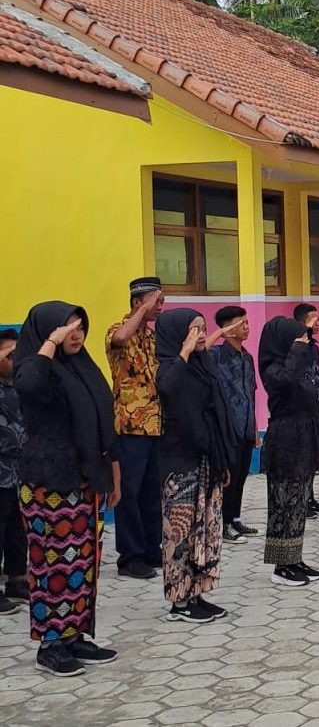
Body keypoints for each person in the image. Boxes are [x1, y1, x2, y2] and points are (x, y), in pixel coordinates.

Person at [16, 302, 120, 676]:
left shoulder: (82, 368)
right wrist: (50, 342)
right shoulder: (35, 367)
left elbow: (105, 421)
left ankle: (73, 635)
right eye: (67, 329)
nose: (76, 335)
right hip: (48, 483)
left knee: (83, 562)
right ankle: (50, 645)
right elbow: (29, 384)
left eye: (80, 327)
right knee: (53, 562)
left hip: (86, 479)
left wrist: (113, 475)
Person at [155, 309, 237, 624]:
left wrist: (221, 459)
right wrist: (184, 352)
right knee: (179, 532)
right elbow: (167, 389)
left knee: (203, 529)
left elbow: (217, 410)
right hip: (180, 461)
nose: (201, 335)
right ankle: (179, 601)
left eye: (202, 329)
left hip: (207, 457)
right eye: (193, 330)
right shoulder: (169, 367)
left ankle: (196, 593)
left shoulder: (204, 365)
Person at [105, 276, 164, 581]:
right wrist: (142, 311)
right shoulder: (117, 330)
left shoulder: (153, 338)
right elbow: (120, 338)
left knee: (153, 493)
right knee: (128, 493)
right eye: (156, 301)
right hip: (129, 426)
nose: (160, 307)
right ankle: (130, 556)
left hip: (155, 425)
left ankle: (152, 549)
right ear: (137, 302)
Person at [258, 316, 319, 586]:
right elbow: (286, 381)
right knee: (283, 504)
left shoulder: (298, 364)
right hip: (285, 441)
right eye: (298, 338)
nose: (305, 342)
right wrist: (297, 349)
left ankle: (294, 558)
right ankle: (281, 566)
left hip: (304, 438)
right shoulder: (273, 369)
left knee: (299, 502)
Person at [212, 306, 260, 544]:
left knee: (241, 476)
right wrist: (218, 334)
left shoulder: (247, 357)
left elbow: (251, 393)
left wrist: (255, 428)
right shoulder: (215, 356)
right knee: (228, 478)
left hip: (246, 426)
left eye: (247, 323)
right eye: (241, 323)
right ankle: (223, 524)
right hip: (227, 428)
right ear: (227, 327)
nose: (247, 327)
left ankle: (235, 518)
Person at [292, 303, 319, 516]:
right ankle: (301, 500)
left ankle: (310, 496)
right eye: (314, 319)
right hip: (301, 409)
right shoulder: (295, 346)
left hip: (316, 407)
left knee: (315, 452)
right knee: (303, 456)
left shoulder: (314, 347)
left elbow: (318, 377)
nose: (318, 323)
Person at [0, 329, 28, 615]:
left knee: (17, 530)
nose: (15, 360)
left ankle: (17, 579)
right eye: (9, 355)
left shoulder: (21, 385)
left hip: (19, 472)